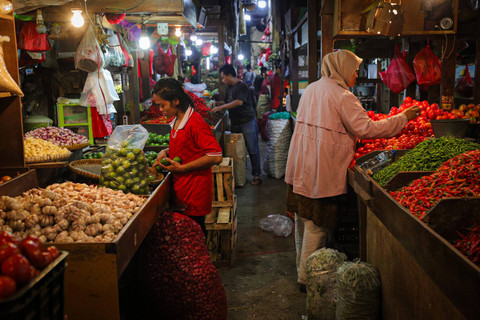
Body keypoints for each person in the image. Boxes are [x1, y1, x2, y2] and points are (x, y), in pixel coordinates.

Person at [284, 50, 420, 292]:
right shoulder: (342, 95)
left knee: (303, 221)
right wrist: (403, 118)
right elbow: (366, 128)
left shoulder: (312, 89)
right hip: (321, 168)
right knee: (318, 225)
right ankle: (307, 280)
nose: (356, 75)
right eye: (355, 70)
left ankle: (301, 271)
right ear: (342, 69)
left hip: (302, 163)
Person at [152, 78, 223, 236]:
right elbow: (186, 147)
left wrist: (183, 168)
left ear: (176, 101)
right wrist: (165, 151)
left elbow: (216, 156)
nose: (160, 110)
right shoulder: (177, 120)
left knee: (194, 239)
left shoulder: (194, 122)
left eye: (162, 105)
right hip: (182, 192)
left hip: (194, 194)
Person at [210, 64, 262, 186]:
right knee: (237, 150)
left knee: (252, 149)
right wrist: (216, 103)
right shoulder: (229, 88)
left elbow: (238, 102)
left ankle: (256, 175)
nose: (223, 81)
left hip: (247, 121)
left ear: (229, 75)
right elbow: (228, 102)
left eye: (223, 78)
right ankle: (241, 174)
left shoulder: (242, 86)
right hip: (236, 121)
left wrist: (221, 107)